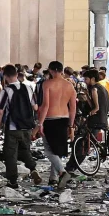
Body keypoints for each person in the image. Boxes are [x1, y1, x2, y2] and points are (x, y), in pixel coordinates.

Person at [0, 64, 41, 190]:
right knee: (25, 150)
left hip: (13, 127)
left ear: (5, 76)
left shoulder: (7, 90)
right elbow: (35, 107)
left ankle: (13, 181)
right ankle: (33, 169)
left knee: (10, 154)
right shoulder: (29, 88)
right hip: (27, 127)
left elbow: (0, 111)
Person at [36, 60, 77, 188]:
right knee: (57, 149)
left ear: (51, 70)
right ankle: (53, 178)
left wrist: (40, 123)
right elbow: (73, 107)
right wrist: (71, 124)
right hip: (64, 118)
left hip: (50, 119)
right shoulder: (69, 85)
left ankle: (62, 172)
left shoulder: (47, 84)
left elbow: (45, 105)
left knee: (48, 150)